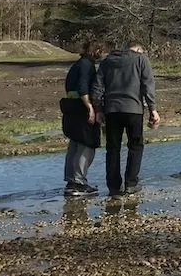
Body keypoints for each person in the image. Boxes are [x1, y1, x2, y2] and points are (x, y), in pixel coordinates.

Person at [92, 43, 160, 196]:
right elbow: (148, 85)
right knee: (135, 146)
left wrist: (98, 109)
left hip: (112, 110)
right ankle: (131, 183)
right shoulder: (141, 60)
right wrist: (152, 109)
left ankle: (114, 187)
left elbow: (97, 87)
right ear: (139, 50)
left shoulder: (107, 61)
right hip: (133, 109)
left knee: (112, 149)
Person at [60, 40, 104, 197]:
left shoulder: (77, 64)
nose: (102, 53)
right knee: (86, 144)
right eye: (100, 50)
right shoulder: (86, 65)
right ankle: (79, 182)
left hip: (71, 108)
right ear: (94, 50)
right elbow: (83, 87)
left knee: (75, 145)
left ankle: (72, 181)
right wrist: (90, 108)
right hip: (81, 109)